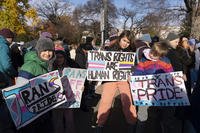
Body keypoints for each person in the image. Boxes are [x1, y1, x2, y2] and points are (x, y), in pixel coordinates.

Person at [134, 41, 182, 133]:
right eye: (152, 52)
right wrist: (134, 78)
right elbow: (138, 72)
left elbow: (170, 74)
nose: (152, 55)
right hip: (146, 92)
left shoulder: (166, 61)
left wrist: (176, 78)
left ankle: (162, 127)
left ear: (161, 56)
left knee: (164, 114)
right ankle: (139, 129)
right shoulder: (144, 60)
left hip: (161, 92)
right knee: (142, 115)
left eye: (155, 55)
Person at [95, 30, 137, 133]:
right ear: (120, 38)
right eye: (124, 40)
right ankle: (99, 125)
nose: (125, 44)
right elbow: (101, 64)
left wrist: (131, 74)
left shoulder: (131, 52)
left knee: (128, 102)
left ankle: (132, 124)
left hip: (124, 80)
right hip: (110, 79)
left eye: (128, 42)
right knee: (105, 101)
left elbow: (134, 67)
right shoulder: (109, 49)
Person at [17, 37, 55, 133]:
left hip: (45, 112)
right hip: (32, 116)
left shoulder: (48, 65)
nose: (47, 53)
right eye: (44, 50)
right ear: (38, 51)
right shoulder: (29, 66)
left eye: (50, 50)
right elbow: (19, 92)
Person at [52, 48, 79, 133]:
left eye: (61, 57)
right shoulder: (50, 70)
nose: (59, 59)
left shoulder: (70, 70)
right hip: (56, 99)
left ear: (64, 58)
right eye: (57, 57)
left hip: (69, 98)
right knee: (57, 120)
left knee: (69, 119)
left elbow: (77, 83)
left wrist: (80, 87)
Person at [0, 28, 18, 133]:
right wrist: (15, 73)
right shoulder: (4, 46)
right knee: (6, 104)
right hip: (4, 80)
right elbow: (6, 65)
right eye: (12, 38)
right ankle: (7, 128)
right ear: (8, 37)